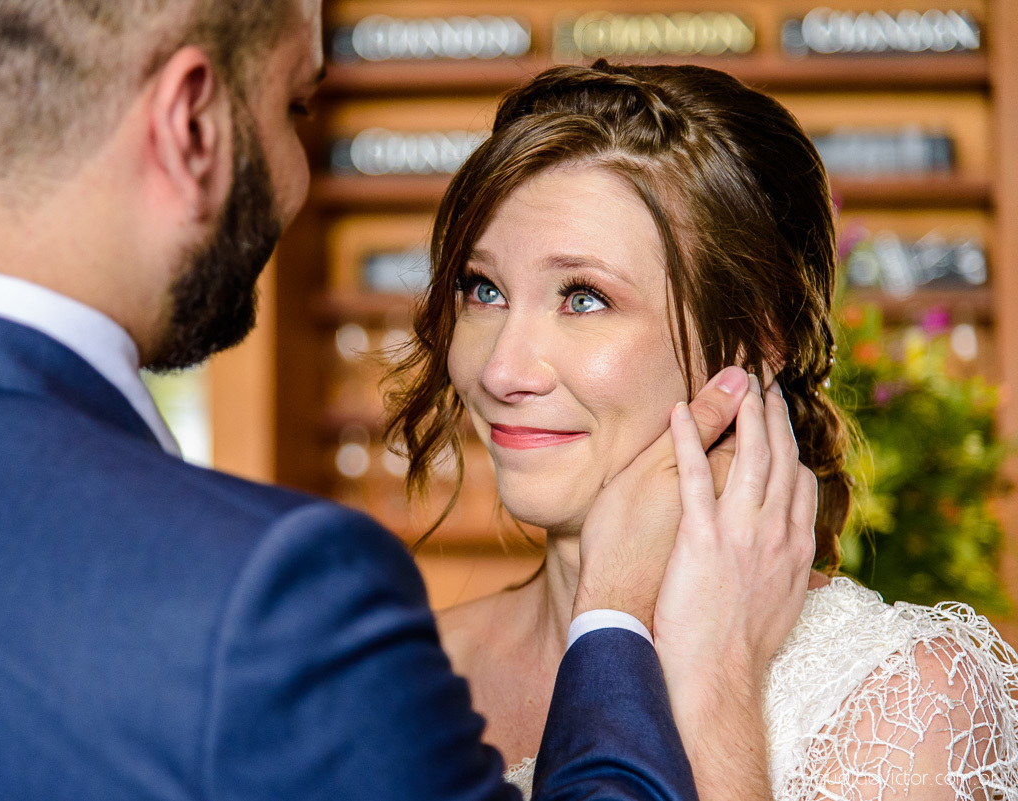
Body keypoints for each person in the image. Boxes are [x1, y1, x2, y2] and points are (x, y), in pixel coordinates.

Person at [0, 4, 816, 801]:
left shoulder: (901, 684)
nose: (508, 363)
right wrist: (626, 628)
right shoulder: (273, 601)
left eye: (585, 297)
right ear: (193, 121)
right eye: (295, 108)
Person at [385, 61, 1018, 801]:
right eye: (483, 289)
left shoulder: (908, 700)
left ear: (753, 341)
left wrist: (718, 689)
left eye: (583, 298)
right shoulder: (406, 675)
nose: (501, 369)